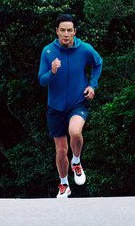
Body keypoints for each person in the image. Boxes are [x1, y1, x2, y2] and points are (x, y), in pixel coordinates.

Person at [38, 13, 103, 198]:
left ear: (74, 31)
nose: (66, 34)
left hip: (78, 102)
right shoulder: (48, 51)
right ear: (57, 32)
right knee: (60, 149)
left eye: (69, 30)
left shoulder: (85, 49)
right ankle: (64, 184)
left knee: (75, 132)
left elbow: (98, 63)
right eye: (62, 30)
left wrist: (92, 85)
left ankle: (76, 161)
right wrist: (52, 71)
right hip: (55, 107)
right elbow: (42, 81)